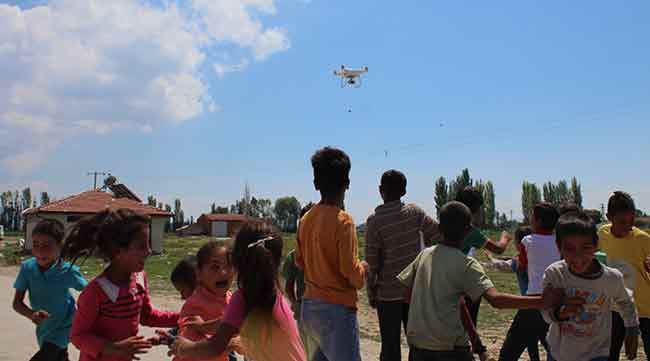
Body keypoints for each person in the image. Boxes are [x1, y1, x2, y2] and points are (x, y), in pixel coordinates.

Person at [397, 201, 564, 361]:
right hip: (450, 349)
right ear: (469, 230)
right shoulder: (467, 265)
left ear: (439, 228)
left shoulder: (424, 255)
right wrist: (543, 301)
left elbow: (405, 294)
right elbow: (496, 300)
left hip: (418, 345)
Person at [167, 225, 306, 361]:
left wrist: (184, 347)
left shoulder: (243, 298)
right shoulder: (272, 294)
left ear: (236, 261)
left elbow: (214, 347)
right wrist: (203, 326)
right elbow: (228, 323)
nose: (223, 272)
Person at [65, 208, 179, 361]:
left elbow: (146, 316)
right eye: (142, 246)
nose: (149, 251)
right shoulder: (96, 292)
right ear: (118, 251)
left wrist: (183, 317)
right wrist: (113, 348)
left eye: (149, 244)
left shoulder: (139, 279)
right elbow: (77, 336)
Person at [296, 146, 368, 361]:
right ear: (347, 183)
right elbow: (349, 270)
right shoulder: (344, 221)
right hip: (337, 310)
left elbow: (300, 261)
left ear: (316, 183)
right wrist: (363, 270)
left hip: (309, 308)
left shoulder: (305, 220)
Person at [542, 211, 639, 361]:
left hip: (596, 354)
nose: (578, 256)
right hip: (559, 353)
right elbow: (546, 312)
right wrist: (560, 313)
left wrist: (632, 329)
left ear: (596, 246)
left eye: (585, 248)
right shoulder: (555, 275)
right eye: (569, 248)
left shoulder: (611, 278)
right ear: (558, 247)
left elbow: (625, 302)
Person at [365, 169, 439, 361]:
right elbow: (438, 235)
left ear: (381, 190)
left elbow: (371, 264)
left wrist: (371, 293)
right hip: (414, 292)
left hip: (387, 295)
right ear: (404, 191)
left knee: (390, 347)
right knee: (418, 344)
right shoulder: (414, 212)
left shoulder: (374, 222)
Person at [13, 219, 87, 361]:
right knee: (58, 356)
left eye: (47, 245)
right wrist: (31, 314)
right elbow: (17, 303)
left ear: (60, 246)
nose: (40, 250)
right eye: (36, 244)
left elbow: (91, 292)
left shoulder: (67, 271)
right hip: (44, 328)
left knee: (47, 355)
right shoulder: (27, 268)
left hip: (66, 326)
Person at [455, 186, 513, 358]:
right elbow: (499, 249)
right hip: (461, 281)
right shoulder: (471, 232)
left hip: (446, 276)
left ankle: (473, 347)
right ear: (475, 209)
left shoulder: (446, 226)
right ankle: (471, 348)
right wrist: (505, 237)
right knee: (470, 311)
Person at [498, 202, 561, 361]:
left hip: (533, 300)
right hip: (555, 300)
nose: (529, 219)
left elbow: (522, 264)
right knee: (554, 348)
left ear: (538, 221)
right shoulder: (560, 242)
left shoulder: (527, 240)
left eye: (532, 216)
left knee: (510, 350)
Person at [598, 191, 650, 360]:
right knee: (609, 353)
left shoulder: (643, 239)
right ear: (609, 217)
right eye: (622, 222)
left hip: (644, 308)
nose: (628, 226)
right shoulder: (602, 235)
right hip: (614, 308)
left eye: (632, 220)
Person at [282, 202, 314, 358]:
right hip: (322, 304)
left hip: (304, 306)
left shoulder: (295, 254)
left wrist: (296, 303)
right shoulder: (296, 255)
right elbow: (288, 286)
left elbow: (288, 286)